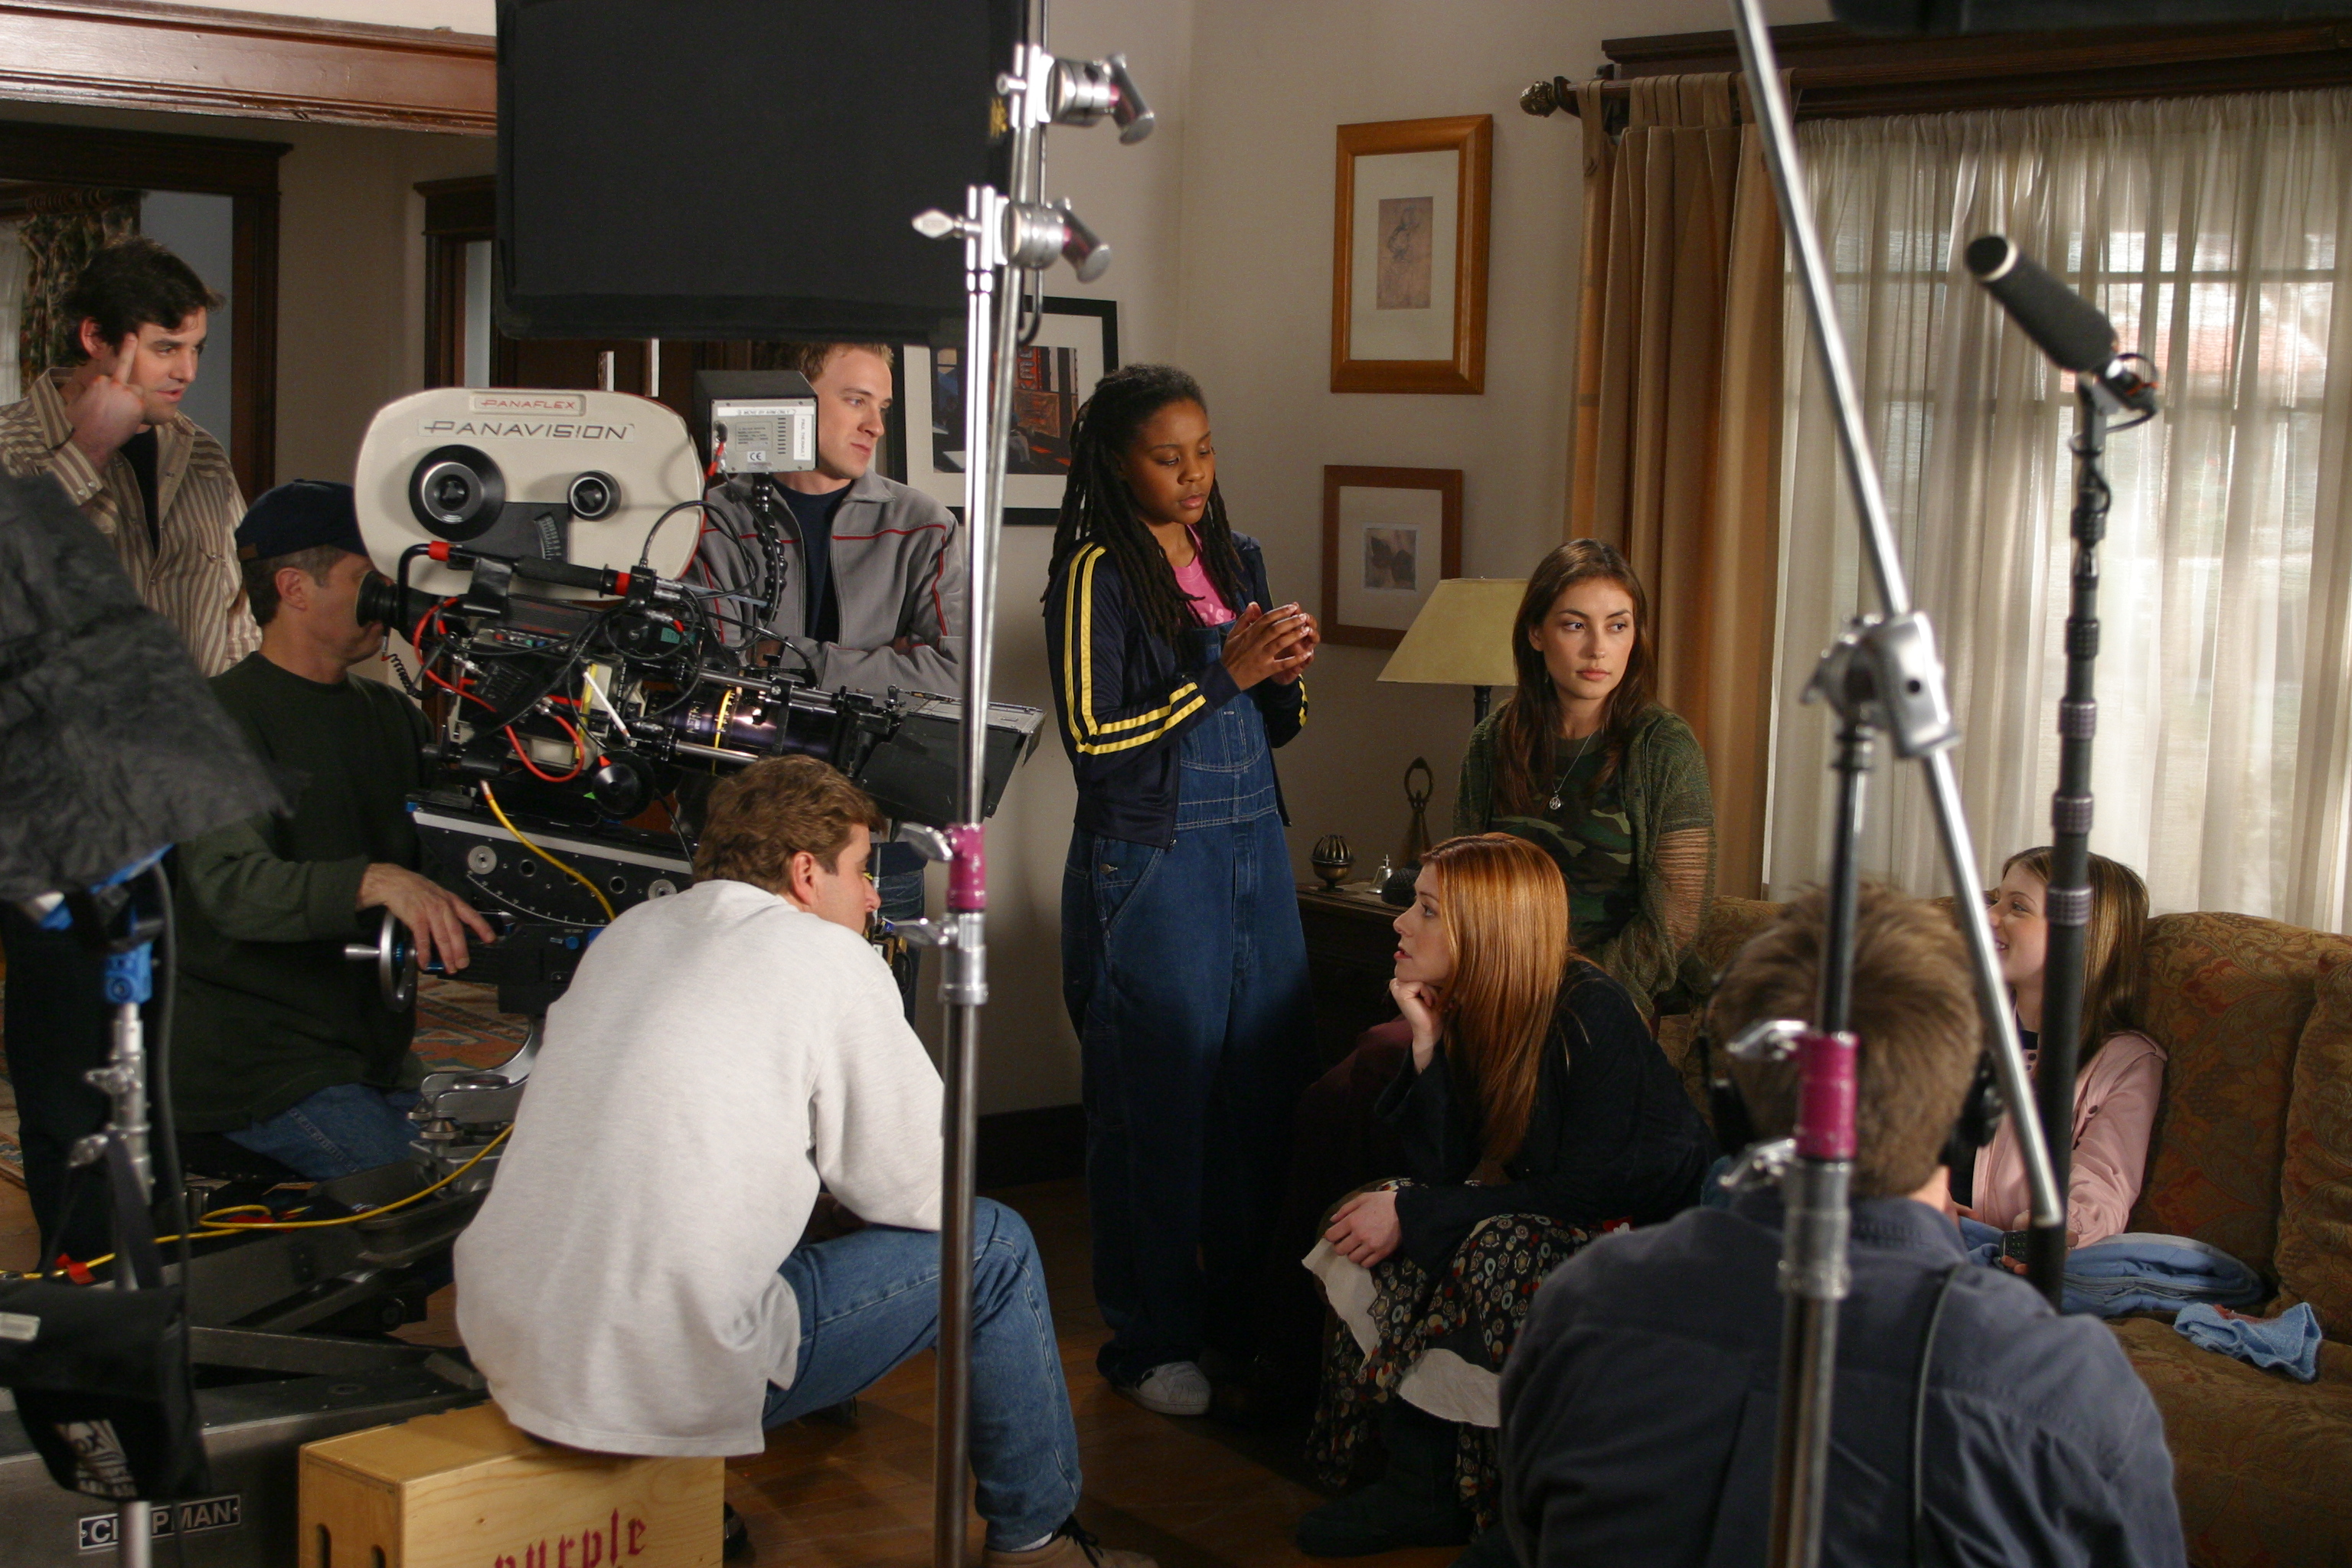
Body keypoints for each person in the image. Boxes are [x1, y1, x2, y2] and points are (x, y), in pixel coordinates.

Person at [454, 755, 1152, 1568]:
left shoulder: (634, 932)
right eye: (860, 870)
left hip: (507, 1334)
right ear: (805, 871)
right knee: (993, 1248)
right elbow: (924, 1186)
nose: (872, 897)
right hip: (651, 1368)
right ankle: (1040, 1542)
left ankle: (685, 1480)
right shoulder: (827, 957)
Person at [1499, 883, 2187, 1568]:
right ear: (1975, 1111)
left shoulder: (1579, 1303)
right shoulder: (2063, 1383)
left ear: (1730, 1105)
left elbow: (1530, 1533)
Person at [1296, 834, 1711, 1565]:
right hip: (1561, 1212)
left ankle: (1509, 1500)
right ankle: (1420, 1487)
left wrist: (1419, 1214)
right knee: (1374, 1214)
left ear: (1486, 929)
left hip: (1651, 1240)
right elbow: (1441, 1167)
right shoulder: (1479, 1000)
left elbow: (1590, 1189)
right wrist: (1427, 1042)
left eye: (1428, 910)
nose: (1402, 923)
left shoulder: (1590, 1009)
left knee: (1491, 1243)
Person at [1043, 363, 1318, 1417]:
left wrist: (1285, 675)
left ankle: (1240, 1324)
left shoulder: (1236, 555)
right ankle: (1150, 1342)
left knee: (1261, 1099)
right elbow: (1094, 741)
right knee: (1151, 1109)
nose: (1194, 474)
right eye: (1169, 458)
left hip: (1254, 850)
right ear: (1121, 464)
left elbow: (1281, 727)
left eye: (1203, 452)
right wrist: (1223, 675)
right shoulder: (1095, 574)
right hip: (1151, 864)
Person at [0, 236, 259, 1260]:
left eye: (194, 347)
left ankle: (155, 1254)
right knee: (69, 1047)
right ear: (95, 340)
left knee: (160, 1034)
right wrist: (84, 458)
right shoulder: (15, 449)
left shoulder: (201, 456)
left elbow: (226, 615)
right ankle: (80, 1262)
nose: (185, 369)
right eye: (163, 347)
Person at [168, 481, 494, 1179]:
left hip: (371, 1057)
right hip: (261, 1070)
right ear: (294, 588)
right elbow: (230, 887)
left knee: (502, 1179)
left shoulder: (395, 717)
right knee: (425, 1201)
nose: (386, 598)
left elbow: (443, 863)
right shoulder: (213, 720)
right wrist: (373, 882)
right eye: (367, 580)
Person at [694, 341, 967, 1018]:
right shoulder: (717, 518)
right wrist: (884, 660)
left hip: (878, 841)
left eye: (883, 406)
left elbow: (953, 676)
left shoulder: (924, 526)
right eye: (855, 400)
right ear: (790, 399)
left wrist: (804, 660)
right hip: (745, 842)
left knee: (870, 1040)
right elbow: (718, 670)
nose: (875, 425)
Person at [1454, 540, 1714, 1016]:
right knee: (1385, 1049)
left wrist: (1567, 994)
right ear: (1536, 633)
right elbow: (1465, 886)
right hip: (1500, 987)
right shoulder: (1492, 740)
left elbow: (1675, 923)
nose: (1598, 649)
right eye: (1575, 625)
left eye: (1617, 626)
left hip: (1611, 997)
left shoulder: (1664, 747)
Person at [1967, 846, 2165, 1248]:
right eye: (1996, 900)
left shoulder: (2126, 1063)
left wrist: (2045, 1235)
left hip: (1999, 1249)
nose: (1988, 915)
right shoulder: (1959, 1026)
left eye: (2017, 907)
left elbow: (2104, 1181)